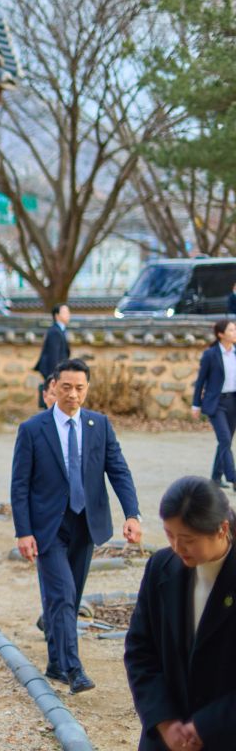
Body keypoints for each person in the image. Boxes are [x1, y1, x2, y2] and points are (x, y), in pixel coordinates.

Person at [11, 358, 142, 694]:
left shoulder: (99, 425)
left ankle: (55, 663)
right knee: (63, 595)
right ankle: (73, 668)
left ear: (87, 389)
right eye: (66, 387)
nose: (72, 394)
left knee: (67, 597)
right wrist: (23, 531)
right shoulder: (33, 429)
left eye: (79, 388)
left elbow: (119, 471)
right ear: (53, 387)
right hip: (48, 527)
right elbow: (20, 485)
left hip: (86, 523)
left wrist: (132, 514)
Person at [124, 476, 236, 751]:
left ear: (222, 530)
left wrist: (207, 725)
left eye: (187, 539)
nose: (177, 547)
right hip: (165, 740)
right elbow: (140, 650)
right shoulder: (161, 567)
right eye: (169, 535)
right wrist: (163, 720)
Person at [191, 319, 236, 490]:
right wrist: (196, 405)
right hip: (216, 404)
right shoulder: (210, 354)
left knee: (225, 441)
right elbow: (200, 381)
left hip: (233, 402)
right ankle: (233, 478)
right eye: (231, 330)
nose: (235, 333)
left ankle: (216, 477)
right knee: (224, 438)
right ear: (221, 334)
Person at [33, 303, 71, 409]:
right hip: (53, 372)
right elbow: (54, 357)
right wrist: (56, 376)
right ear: (57, 315)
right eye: (65, 312)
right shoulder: (55, 332)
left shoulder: (60, 330)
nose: (68, 315)